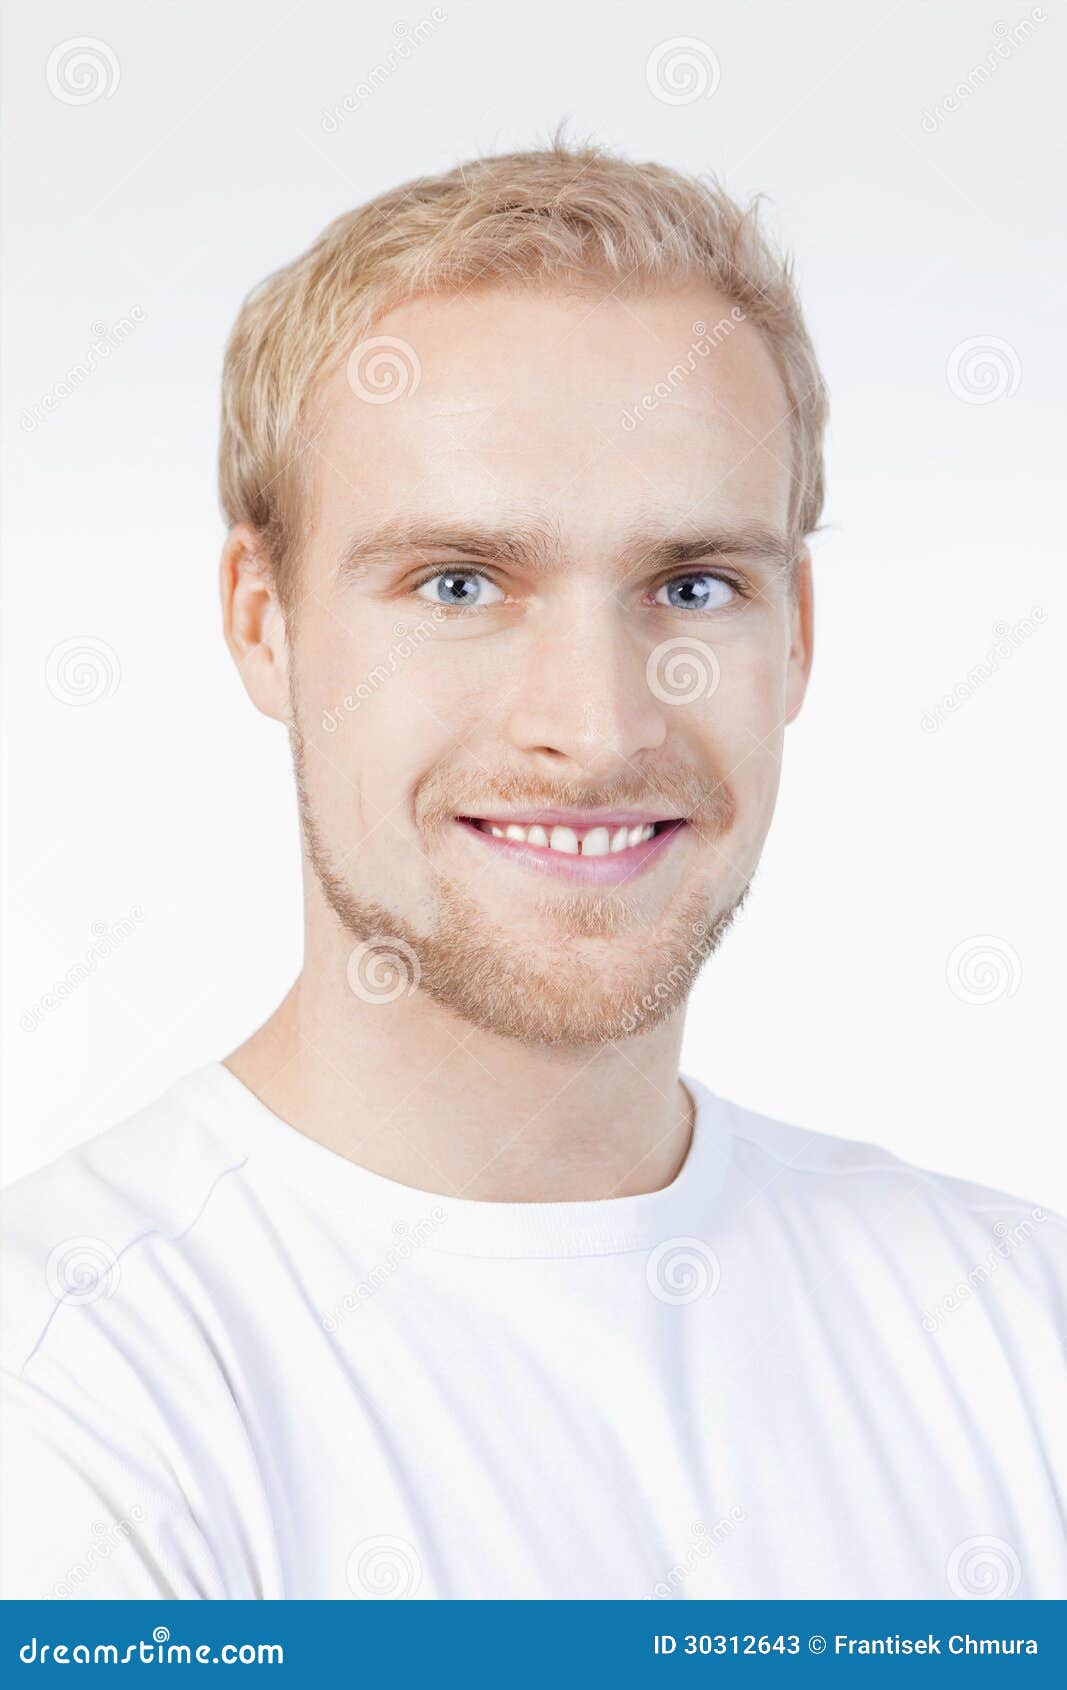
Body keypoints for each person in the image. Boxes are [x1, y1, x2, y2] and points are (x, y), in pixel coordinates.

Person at [3, 138, 1064, 1602]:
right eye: (458, 583)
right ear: (262, 618)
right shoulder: (72, 1383)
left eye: (693, 585)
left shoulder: (1018, 1324)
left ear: (799, 631)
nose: (595, 725)